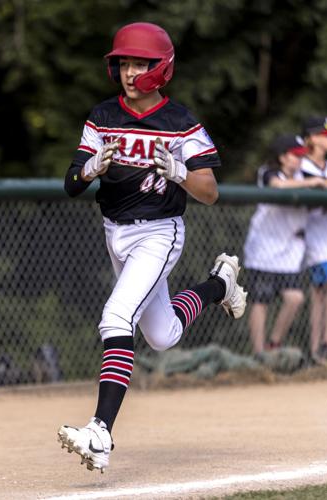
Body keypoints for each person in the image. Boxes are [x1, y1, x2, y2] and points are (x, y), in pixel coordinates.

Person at [57, 22, 247, 472]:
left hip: (160, 232)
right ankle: (219, 285)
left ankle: (100, 432)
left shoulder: (181, 123)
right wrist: (87, 172)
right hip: (115, 231)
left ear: (160, 68)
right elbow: (70, 183)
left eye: (139, 63)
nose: (128, 71)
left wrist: (180, 172)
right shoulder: (103, 115)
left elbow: (210, 191)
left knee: (116, 316)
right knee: (162, 336)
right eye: (123, 62)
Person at [244, 134, 324, 354]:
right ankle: (258, 354)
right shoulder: (268, 172)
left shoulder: (302, 174)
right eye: (294, 155)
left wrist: (324, 182)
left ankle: (274, 344)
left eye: (301, 156)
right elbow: (277, 185)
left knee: (295, 298)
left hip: (289, 251)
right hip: (264, 247)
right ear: (282, 157)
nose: (299, 160)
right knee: (261, 301)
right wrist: (312, 182)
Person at [299, 116, 327, 364]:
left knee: (318, 293)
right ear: (313, 138)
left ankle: (315, 351)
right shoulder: (302, 165)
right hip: (311, 235)